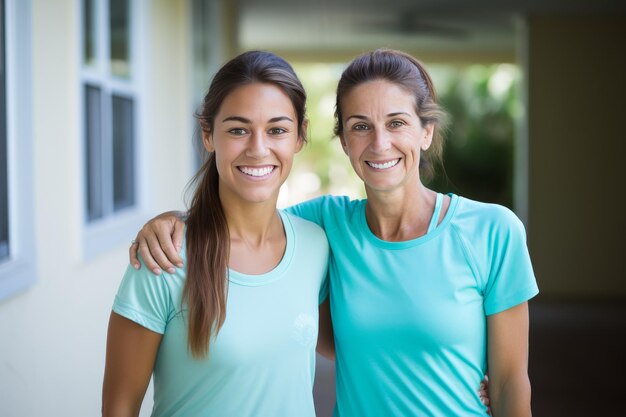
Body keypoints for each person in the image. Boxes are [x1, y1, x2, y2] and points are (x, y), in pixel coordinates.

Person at [131, 49, 531, 416]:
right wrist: (171, 221)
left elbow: (511, 383)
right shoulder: (324, 224)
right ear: (343, 140)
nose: (380, 143)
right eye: (361, 126)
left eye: (397, 123)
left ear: (425, 132)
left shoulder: (492, 231)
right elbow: (242, 217)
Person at [102, 50, 333, 417]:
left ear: (300, 137)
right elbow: (118, 408)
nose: (258, 149)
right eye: (238, 130)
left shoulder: (315, 244)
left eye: (277, 130)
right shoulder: (166, 256)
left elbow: (354, 347)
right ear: (208, 135)